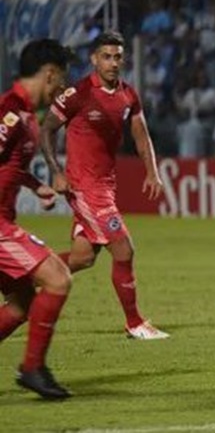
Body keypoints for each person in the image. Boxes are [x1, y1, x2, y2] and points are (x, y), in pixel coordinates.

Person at [40, 31, 169, 340]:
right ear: (94, 59)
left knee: (83, 257)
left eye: (118, 57)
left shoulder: (128, 95)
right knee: (124, 248)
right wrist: (56, 171)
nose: (113, 63)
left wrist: (152, 172)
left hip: (106, 185)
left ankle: (20, 279)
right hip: (85, 187)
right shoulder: (79, 93)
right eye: (107, 57)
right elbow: (46, 130)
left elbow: (141, 135)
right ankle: (135, 322)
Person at [0, 39, 75, 399]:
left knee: (22, 304)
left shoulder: (27, 116)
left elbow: (8, 167)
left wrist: (35, 185)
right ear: (49, 73)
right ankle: (32, 368)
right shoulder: (10, 112)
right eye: (61, 79)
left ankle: (33, 367)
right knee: (58, 278)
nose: (62, 88)